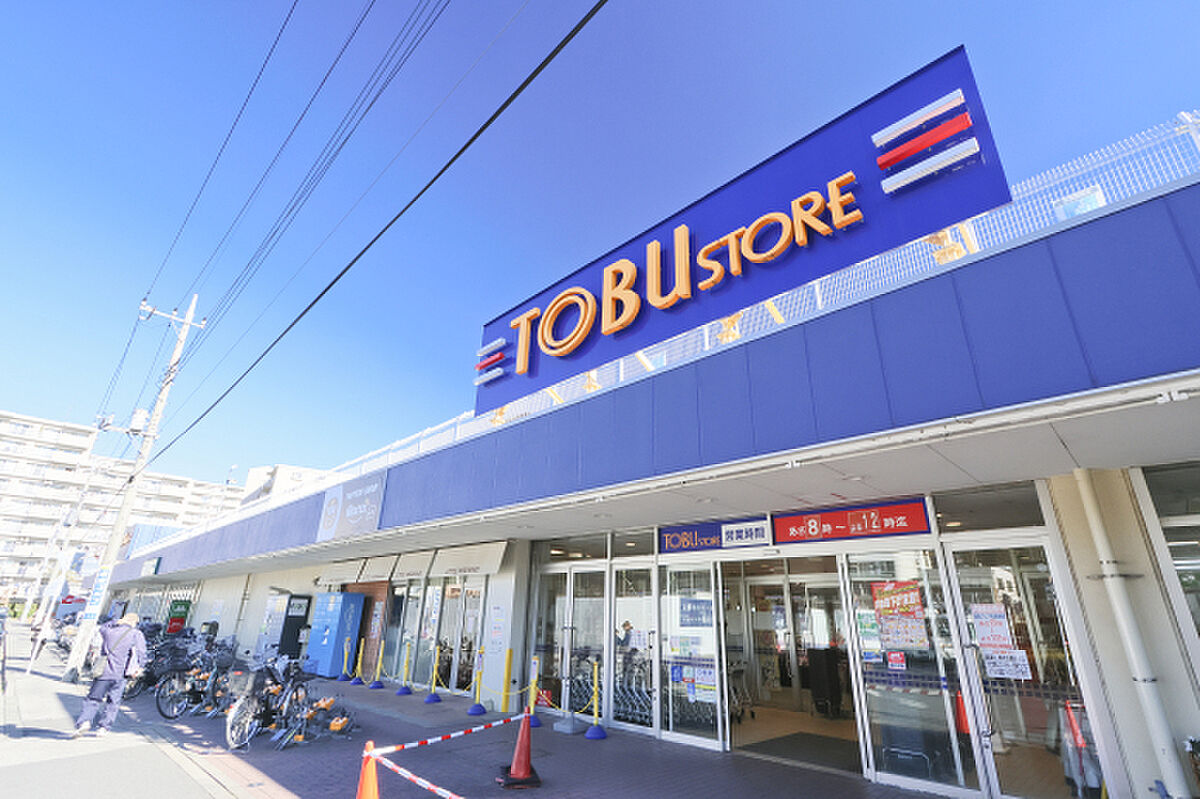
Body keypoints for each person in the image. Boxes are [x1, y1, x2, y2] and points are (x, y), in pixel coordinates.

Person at [72, 612, 146, 737]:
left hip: (103, 672)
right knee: (113, 702)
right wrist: (140, 667)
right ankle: (104, 727)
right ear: (134, 623)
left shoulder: (109, 631)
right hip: (121, 673)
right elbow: (142, 652)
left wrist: (116, 621)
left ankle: (85, 721)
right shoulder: (135, 634)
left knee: (93, 698)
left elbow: (102, 627)